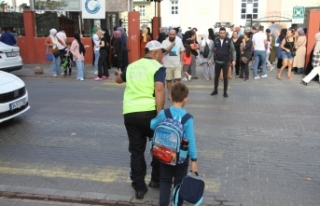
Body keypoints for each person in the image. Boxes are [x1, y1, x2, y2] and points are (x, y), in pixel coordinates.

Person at [115, 40, 165, 199]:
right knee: (157, 147)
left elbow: (118, 80)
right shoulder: (157, 67)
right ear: (155, 53)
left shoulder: (132, 66)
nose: (162, 57)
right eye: (161, 54)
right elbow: (159, 89)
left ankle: (139, 187)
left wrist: (118, 75)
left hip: (130, 113)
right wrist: (160, 114)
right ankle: (156, 180)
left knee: (136, 151)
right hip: (149, 113)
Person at [150, 83, 198, 206]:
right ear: (185, 98)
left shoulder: (164, 113)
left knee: (165, 181)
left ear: (170, 96)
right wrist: (194, 160)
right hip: (181, 159)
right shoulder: (188, 118)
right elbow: (191, 140)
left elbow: (152, 125)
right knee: (179, 183)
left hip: (164, 154)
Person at [207, 27, 236, 98]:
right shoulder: (216, 41)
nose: (222, 34)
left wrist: (234, 60)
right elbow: (211, 50)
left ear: (225, 33)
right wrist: (209, 58)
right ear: (219, 33)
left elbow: (233, 50)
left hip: (226, 61)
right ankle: (215, 90)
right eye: (221, 33)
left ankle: (225, 92)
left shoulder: (229, 41)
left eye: (223, 33)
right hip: (217, 61)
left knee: (225, 77)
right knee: (216, 77)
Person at [162, 29, 185, 100]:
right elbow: (164, 53)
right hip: (167, 64)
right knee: (168, 80)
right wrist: (172, 45)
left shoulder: (179, 41)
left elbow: (182, 51)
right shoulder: (164, 42)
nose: (172, 36)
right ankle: (170, 94)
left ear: (176, 35)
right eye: (170, 35)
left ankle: (176, 94)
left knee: (177, 80)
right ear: (168, 35)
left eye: (173, 35)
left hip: (177, 64)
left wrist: (181, 61)